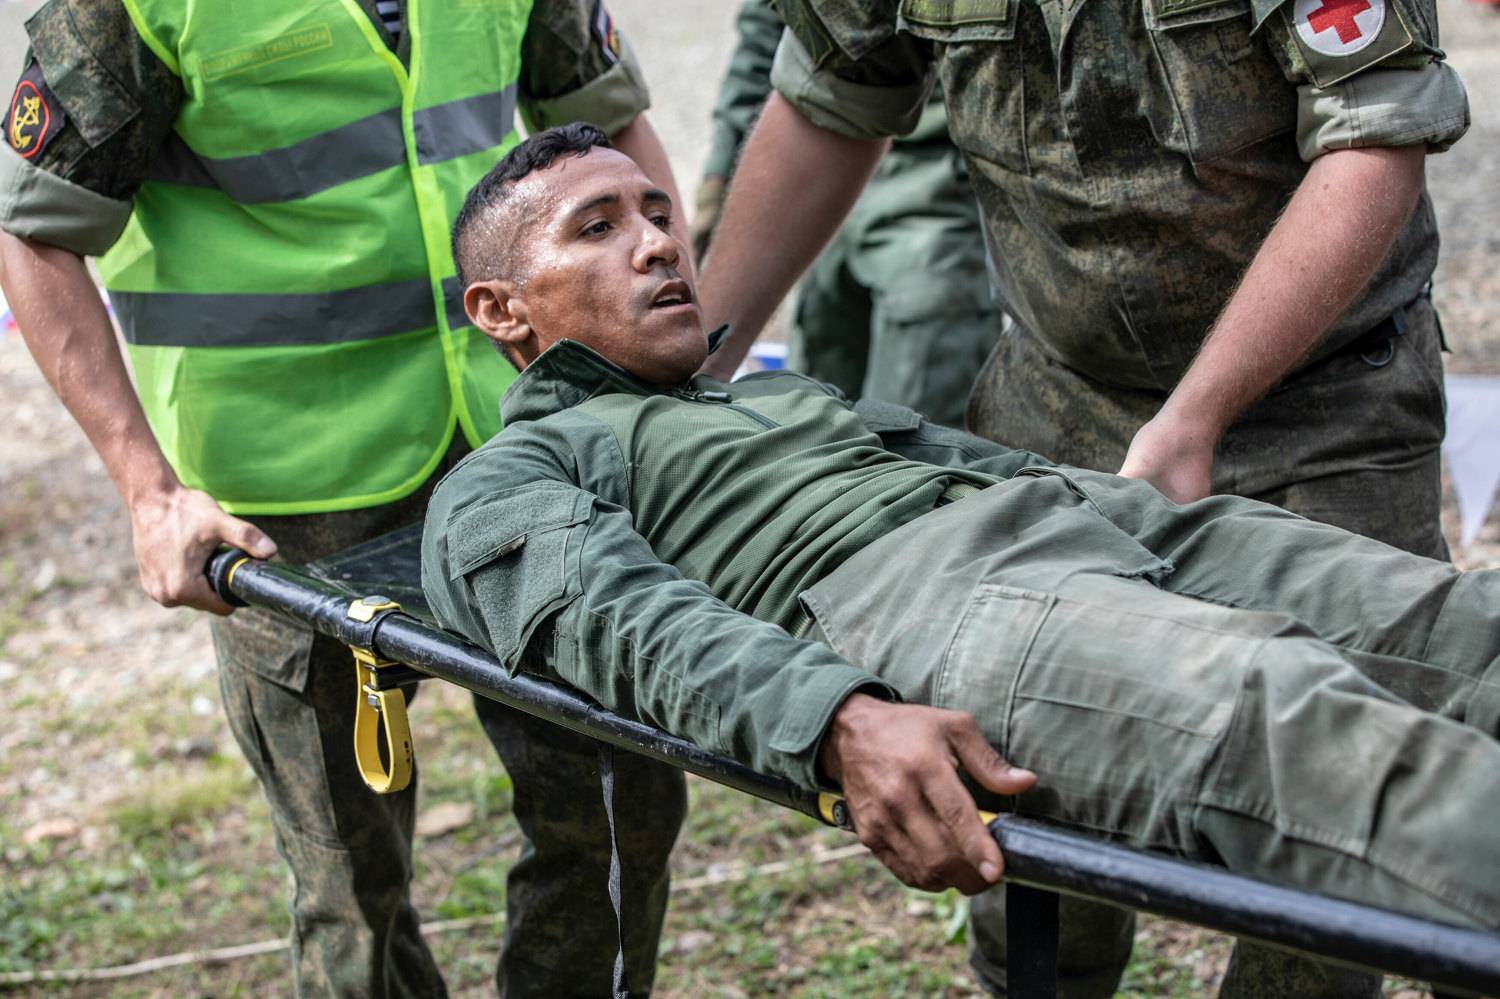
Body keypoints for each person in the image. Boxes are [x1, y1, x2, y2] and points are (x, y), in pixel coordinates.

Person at [422, 129, 1500, 958]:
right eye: (597, 228)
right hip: (930, 600)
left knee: (1464, 626)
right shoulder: (513, 473)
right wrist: (836, 720)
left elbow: (984, 463)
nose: (659, 241)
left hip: (1101, 528)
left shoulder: (770, 397)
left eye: (658, 212)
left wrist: (1132, 518)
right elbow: (625, 621)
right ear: (501, 310)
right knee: (1290, 716)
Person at [694, 1, 1470, 992]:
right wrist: (693, 374)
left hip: (1328, 402)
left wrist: (1195, 418)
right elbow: (831, 98)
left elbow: (1374, 139)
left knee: (1344, 813)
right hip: (1056, 401)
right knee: (1031, 805)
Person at [0, 4, 686, 995]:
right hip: (286, 493)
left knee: (620, 800)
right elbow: (34, 229)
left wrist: (661, 363)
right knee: (349, 886)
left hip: (525, 435)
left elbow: (614, 135)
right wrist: (150, 493)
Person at [692, 0, 997, 425]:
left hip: (937, 191)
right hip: (819, 186)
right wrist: (718, 180)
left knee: (910, 428)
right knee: (804, 418)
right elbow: (770, 34)